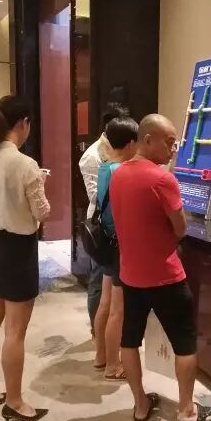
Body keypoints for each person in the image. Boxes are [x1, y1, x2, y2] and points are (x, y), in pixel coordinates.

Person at [110, 114, 211, 421]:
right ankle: (187, 411)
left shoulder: (118, 174)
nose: (174, 150)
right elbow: (180, 227)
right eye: (170, 143)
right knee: (184, 343)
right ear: (148, 140)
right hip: (165, 276)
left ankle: (140, 405)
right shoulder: (162, 179)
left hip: (130, 275)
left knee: (130, 339)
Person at [0, 95, 50, 421]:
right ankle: (15, 402)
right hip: (18, 251)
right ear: (23, 123)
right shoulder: (24, 164)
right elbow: (42, 213)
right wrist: (41, 183)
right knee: (15, 332)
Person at [79, 102, 129, 348]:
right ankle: (97, 335)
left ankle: (108, 338)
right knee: (99, 283)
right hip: (103, 227)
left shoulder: (116, 152)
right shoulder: (93, 156)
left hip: (118, 226)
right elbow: (96, 196)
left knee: (111, 288)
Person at [93, 116, 138, 381]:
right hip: (122, 245)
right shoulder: (124, 171)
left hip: (108, 243)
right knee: (118, 311)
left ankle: (100, 356)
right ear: (131, 143)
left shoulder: (106, 168)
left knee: (105, 303)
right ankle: (113, 365)